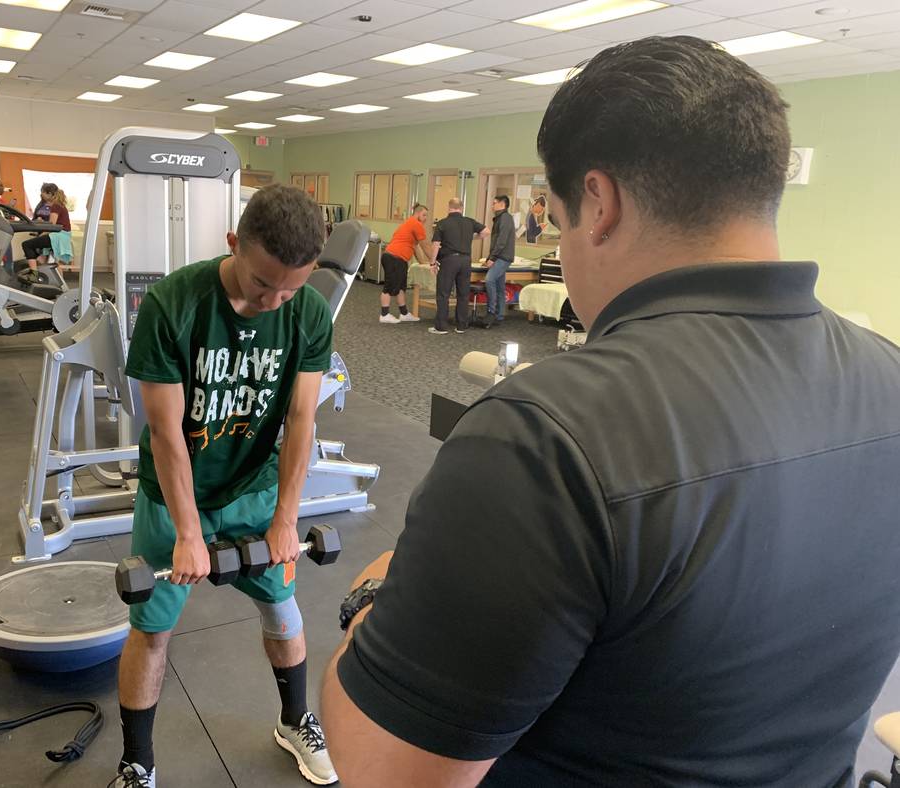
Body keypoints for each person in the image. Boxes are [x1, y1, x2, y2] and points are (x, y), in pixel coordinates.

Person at [319, 35, 900, 788]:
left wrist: (375, 593)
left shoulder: (541, 433)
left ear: (598, 203)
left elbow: (387, 771)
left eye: (559, 217)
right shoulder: (890, 376)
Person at [112, 184, 338, 788]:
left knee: (284, 609)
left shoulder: (308, 313)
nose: (277, 300)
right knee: (151, 629)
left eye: (293, 287)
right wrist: (188, 531)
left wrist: (287, 520)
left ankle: (295, 721)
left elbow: (300, 420)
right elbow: (165, 436)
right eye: (265, 283)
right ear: (234, 243)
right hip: (174, 495)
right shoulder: (173, 304)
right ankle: (138, 763)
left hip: (254, 490)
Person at [428, 198, 489, 335]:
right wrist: (471, 237)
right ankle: (461, 325)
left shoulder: (442, 223)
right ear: (462, 208)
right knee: (463, 294)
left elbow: (436, 244)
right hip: (466, 261)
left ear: (449, 207)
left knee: (443, 293)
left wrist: (432, 263)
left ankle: (441, 327)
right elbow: (486, 231)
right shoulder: (469, 221)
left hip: (449, 260)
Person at [378, 203, 431, 324]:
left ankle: (404, 313)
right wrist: (433, 260)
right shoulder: (415, 223)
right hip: (393, 258)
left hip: (399, 259)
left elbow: (416, 247)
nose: (425, 218)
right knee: (389, 287)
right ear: (417, 213)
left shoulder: (409, 224)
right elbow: (425, 245)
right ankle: (384, 315)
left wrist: (424, 263)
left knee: (401, 287)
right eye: (424, 215)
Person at [481, 195, 515, 328]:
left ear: (502, 204)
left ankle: (491, 311)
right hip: (500, 256)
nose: (492, 205)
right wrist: (489, 258)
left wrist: (493, 258)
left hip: (503, 257)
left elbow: (501, 241)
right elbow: (496, 242)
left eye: (494, 203)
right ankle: (499, 315)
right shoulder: (500, 218)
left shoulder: (505, 218)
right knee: (500, 286)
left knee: (489, 280)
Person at [21, 182, 71, 273]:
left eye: (43, 192)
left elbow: (51, 225)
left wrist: (41, 234)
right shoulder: (58, 204)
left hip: (58, 236)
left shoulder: (56, 205)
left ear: (50, 194)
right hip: (61, 236)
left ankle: (34, 274)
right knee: (42, 258)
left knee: (26, 245)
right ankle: (57, 284)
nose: (41, 194)